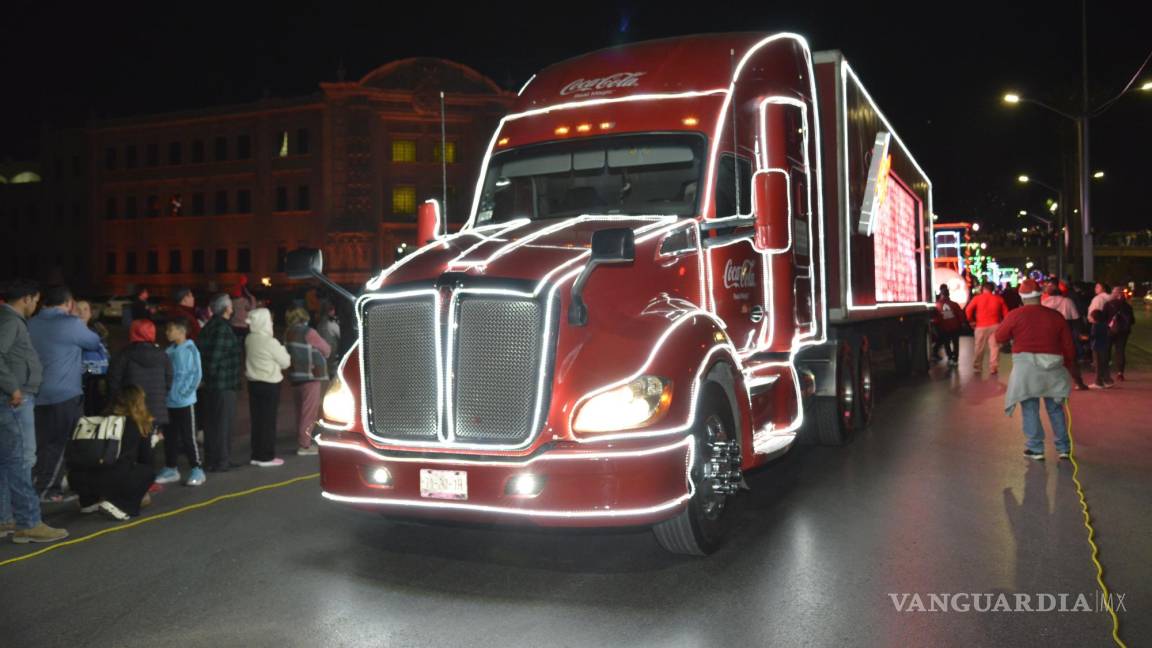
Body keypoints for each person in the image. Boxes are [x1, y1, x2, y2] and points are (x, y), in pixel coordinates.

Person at [0, 280, 67, 543]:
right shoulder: (10, 321)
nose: (36, 306)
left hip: (11, 400)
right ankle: (29, 522)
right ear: (27, 298)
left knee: (7, 461)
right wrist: (13, 388)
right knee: (21, 461)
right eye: (35, 301)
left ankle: (5, 519)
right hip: (15, 401)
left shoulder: (8, 319)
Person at [28, 285, 103, 502]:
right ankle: (48, 489)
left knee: (41, 443)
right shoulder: (70, 324)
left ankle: (36, 483)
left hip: (36, 394)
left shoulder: (31, 323)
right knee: (62, 443)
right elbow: (93, 341)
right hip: (64, 394)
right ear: (69, 304)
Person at [995, 279, 1075, 461]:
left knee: (1030, 407)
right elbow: (1068, 346)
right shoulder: (1055, 316)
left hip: (1026, 369)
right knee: (1055, 408)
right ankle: (1063, 448)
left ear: (1021, 298)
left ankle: (1035, 448)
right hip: (1053, 367)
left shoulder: (1015, 315)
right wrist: (1068, 366)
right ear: (1040, 296)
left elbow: (1000, 335)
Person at [68, 385, 156, 520]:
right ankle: (121, 506)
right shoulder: (136, 424)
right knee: (147, 472)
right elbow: (146, 459)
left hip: (77, 479)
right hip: (109, 480)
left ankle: (88, 502)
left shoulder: (97, 419)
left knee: (98, 466)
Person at [159, 318, 205, 487]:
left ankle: (197, 469)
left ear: (181, 331)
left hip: (184, 402)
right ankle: (171, 467)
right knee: (170, 437)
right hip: (169, 402)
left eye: (170, 330)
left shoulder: (191, 349)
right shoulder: (169, 350)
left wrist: (184, 393)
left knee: (188, 437)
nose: (167, 333)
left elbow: (196, 375)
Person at [199, 294, 242, 472]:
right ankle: (221, 460)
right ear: (226, 309)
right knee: (223, 424)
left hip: (212, 385)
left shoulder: (210, 325)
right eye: (231, 305)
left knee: (212, 424)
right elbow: (214, 359)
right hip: (223, 385)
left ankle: (212, 459)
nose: (232, 308)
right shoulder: (222, 329)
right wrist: (214, 376)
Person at [245, 308, 290, 467]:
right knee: (268, 421)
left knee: (257, 420)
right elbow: (286, 362)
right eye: (269, 320)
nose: (271, 322)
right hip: (269, 385)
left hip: (253, 383)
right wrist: (283, 349)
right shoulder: (270, 342)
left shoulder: (250, 338)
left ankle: (257, 454)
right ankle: (266, 457)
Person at [285, 307, 331, 456]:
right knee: (309, 412)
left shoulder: (288, 333)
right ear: (304, 318)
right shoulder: (309, 332)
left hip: (294, 375)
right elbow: (326, 349)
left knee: (300, 411)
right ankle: (304, 445)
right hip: (311, 376)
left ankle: (302, 440)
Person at [1041, 284, 1088, 390]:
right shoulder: (1067, 301)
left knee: (1050, 357)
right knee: (1071, 357)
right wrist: (1080, 332)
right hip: (1067, 329)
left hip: (1050, 332)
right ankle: (1079, 382)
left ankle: (1050, 384)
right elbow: (1076, 318)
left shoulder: (1044, 303)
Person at [75, 300, 112, 415]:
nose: (82, 313)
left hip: (95, 384)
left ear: (91, 313)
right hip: (75, 383)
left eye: (85, 309)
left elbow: (106, 356)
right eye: (78, 309)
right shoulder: (68, 333)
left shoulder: (98, 333)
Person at [965, 282, 1009, 375]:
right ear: (992, 289)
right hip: (995, 325)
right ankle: (993, 367)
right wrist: (1004, 325)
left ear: (983, 288)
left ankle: (977, 366)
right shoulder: (999, 299)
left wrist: (971, 321)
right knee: (994, 347)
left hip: (981, 326)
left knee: (979, 347)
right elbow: (1006, 313)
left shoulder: (977, 298)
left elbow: (968, 309)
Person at [1104, 287, 1134, 382]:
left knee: (1107, 350)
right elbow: (1132, 320)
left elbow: (1103, 318)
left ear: (1116, 294)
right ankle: (1120, 373)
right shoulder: (1127, 306)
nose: (1111, 294)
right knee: (1120, 351)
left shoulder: (1108, 304)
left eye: (1113, 292)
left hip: (1110, 330)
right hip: (1123, 332)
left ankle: (1106, 371)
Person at [933, 284, 966, 366]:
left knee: (946, 343)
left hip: (944, 327)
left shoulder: (937, 305)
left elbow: (936, 319)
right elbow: (960, 315)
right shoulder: (954, 304)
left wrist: (936, 325)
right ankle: (955, 359)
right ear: (949, 294)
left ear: (941, 294)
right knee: (955, 343)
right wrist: (962, 323)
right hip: (955, 326)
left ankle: (950, 357)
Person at [1087, 310, 1113, 389]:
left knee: (1098, 364)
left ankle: (1098, 382)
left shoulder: (1095, 326)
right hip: (1104, 346)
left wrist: (1085, 337)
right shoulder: (1105, 325)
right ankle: (1107, 380)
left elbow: (1093, 336)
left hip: (1097, 347)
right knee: (1104, 364)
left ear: (1094, 318)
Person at [230, 277, 257, 341]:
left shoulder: (233, 300)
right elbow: (253, 310)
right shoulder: (248, 300)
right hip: (245, 326)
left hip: (233, 325)